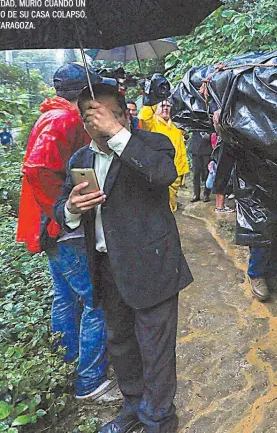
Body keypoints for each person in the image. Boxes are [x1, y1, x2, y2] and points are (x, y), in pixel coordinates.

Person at [54, 84, 193, 433]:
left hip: (152, 267)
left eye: (105, 114)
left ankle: (159, 419)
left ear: (124, 115)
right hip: (106, 267)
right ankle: (133, 407)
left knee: (155, 348)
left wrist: (115, 134)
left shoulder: (152, 144)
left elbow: (164, 174)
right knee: (121, 344)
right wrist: (71, 208)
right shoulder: (80, 160)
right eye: (89, 116)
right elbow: (60, 208)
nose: (95, 122)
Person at [16, 63, 118, 403]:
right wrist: (62, 212)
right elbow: (38, 168)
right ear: (83, 93)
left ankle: (66, 364)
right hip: (65, 229)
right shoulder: (65, 119)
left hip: (51, 228)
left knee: (67, 296)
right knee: (96, 300)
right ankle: (90, 381)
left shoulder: (52, 114)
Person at [138, 99, 189, 212]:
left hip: (177, 169)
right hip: (158, 169)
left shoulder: (176, 124)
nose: (165, 108)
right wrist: (152, 98)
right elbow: (144, 116)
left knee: (172, 200)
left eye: (168, 106)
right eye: (162, 106)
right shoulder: (151, 123)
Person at [187, 131, 213, 202]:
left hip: (207, 148)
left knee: (207, 172)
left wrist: (210, 135)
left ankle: (206, 194)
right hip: (196, 148)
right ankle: (196, 194)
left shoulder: (208, 120)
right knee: (196, 172)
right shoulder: (194, 120)